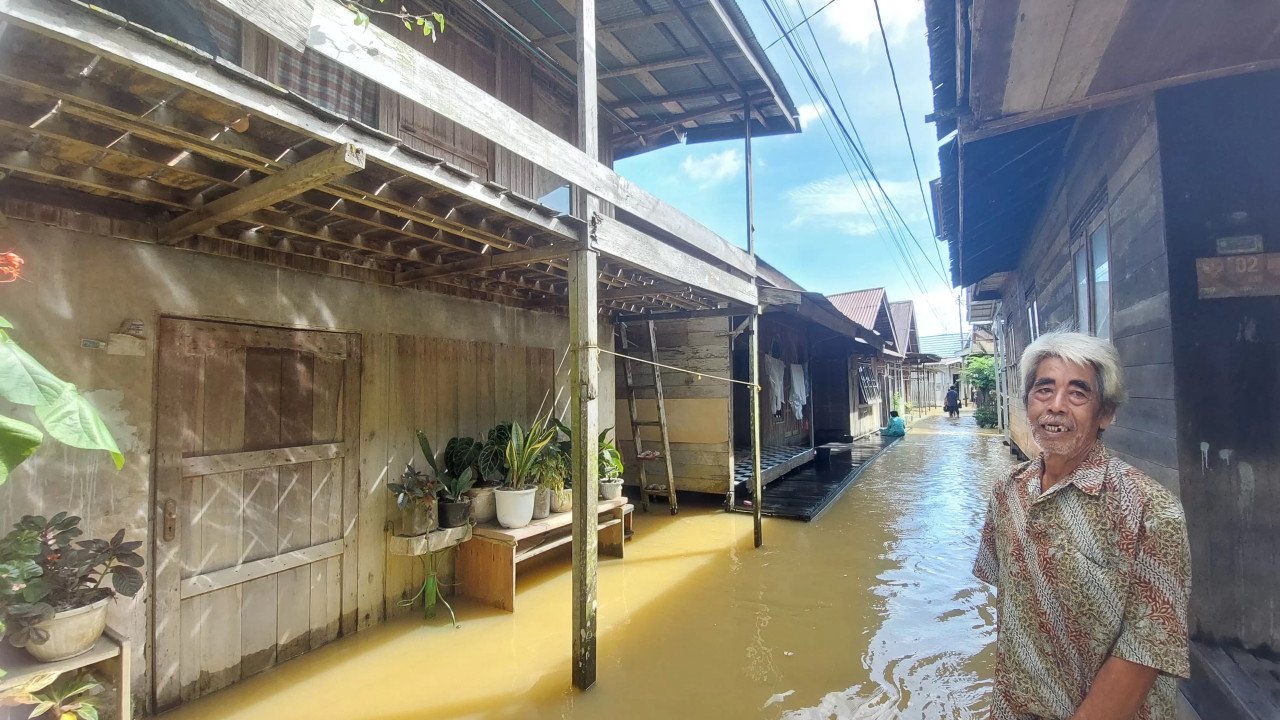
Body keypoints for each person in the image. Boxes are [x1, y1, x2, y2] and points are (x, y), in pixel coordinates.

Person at [974, 332, 1190, 719]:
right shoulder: (1006, 491)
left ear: (1105, 413)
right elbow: (1010, 613)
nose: (1056, 406)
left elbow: (1147, 649)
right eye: (1044, 390)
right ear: (1027, 403)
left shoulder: (1150, 509)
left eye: (1077, 393)